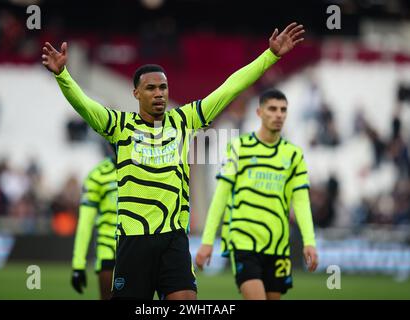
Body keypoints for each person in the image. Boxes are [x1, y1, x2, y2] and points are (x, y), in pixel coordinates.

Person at [42, 22, 305, 300]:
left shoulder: (184, 121)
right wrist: (63, 76)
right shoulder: (120, 125)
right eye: (151, 88)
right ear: (136, 94)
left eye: (163, 88)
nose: (159, 94)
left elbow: (230, 88)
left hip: (174, 241)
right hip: (134, 243)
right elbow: (84, 105)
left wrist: (270, 56)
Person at [195, 89, 318, 300]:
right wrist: (207, 241)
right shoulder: (239, 148)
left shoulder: (293, 155)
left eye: (283, 110)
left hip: (278, 244)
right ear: (259, 112)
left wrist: (309, 241)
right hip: (243, 241)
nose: (278, 114)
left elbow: (300, 201)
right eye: (272, 109)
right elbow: (221, 196)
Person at [71, 156, 118, 300]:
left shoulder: (143, 170)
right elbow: (85, 222)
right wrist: (78, 264)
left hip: (138, 247)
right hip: (108, 249)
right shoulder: (97, 175)